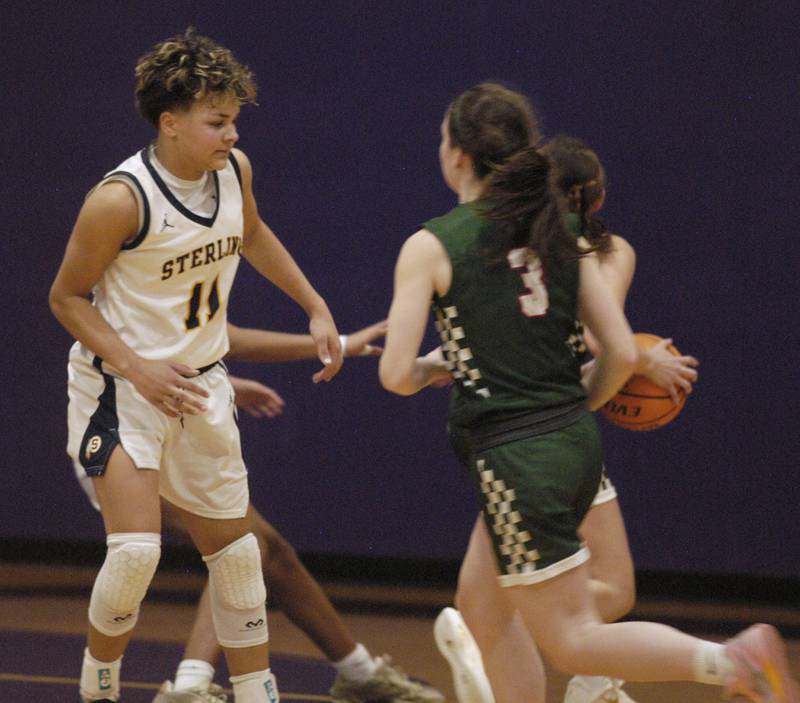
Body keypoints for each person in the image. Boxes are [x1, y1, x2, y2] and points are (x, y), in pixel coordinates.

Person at [378, 82, 798, 703]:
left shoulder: (432, 243)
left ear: (459, 155)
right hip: (575, 440)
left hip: (514, 458)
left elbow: (394, 375)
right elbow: (622, 352)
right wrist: (574, 406)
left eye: (443, 139)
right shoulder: (563, 228)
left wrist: (435, 368)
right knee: (482, 607)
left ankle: (730, 661)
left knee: (571, 637)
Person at [49, 29, 343, 703]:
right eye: (218, 121)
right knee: (135, 552)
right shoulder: (120, 199)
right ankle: (99, 688)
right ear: (170, 122)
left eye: (235, 119)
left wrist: (315, 304)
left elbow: (254, 232)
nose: (232, 134)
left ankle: (256, 691)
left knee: (237, 554)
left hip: (202, 386)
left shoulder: (234, 173)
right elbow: (65, 297)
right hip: (119, 386)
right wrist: (140, 368)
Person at [433, 134, 701, 703]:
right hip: (553, 428)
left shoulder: (506, 249)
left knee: (581, 594)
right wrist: (639, 357)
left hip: (539, 427)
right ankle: (591, 679)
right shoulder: (604, 253)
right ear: (598, 199)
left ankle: (527, 657)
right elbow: (611, 346)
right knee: (571, 609)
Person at [75, 319, 444, 703]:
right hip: (125, 431)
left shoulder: (199, 271)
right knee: (238, 550)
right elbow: (113, 346)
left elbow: (219, 336)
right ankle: (188, 686)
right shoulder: (135, 270)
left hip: (175, 421)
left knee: (271, 553)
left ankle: (360, 673)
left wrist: (342, 343)